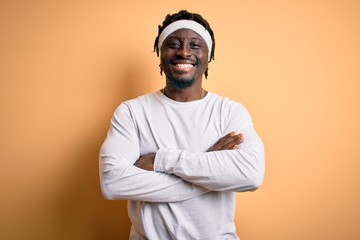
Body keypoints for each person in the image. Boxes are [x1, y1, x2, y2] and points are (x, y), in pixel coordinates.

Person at [99, 10, 265, 240]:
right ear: (160, 53)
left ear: (209, 56)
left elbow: (250, 174)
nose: (184, 52)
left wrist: (161, 160)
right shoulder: (132, 112)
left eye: (195, 45)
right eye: (173, 44)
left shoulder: (229, 112)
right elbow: (113, 182)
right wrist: (209, 171)